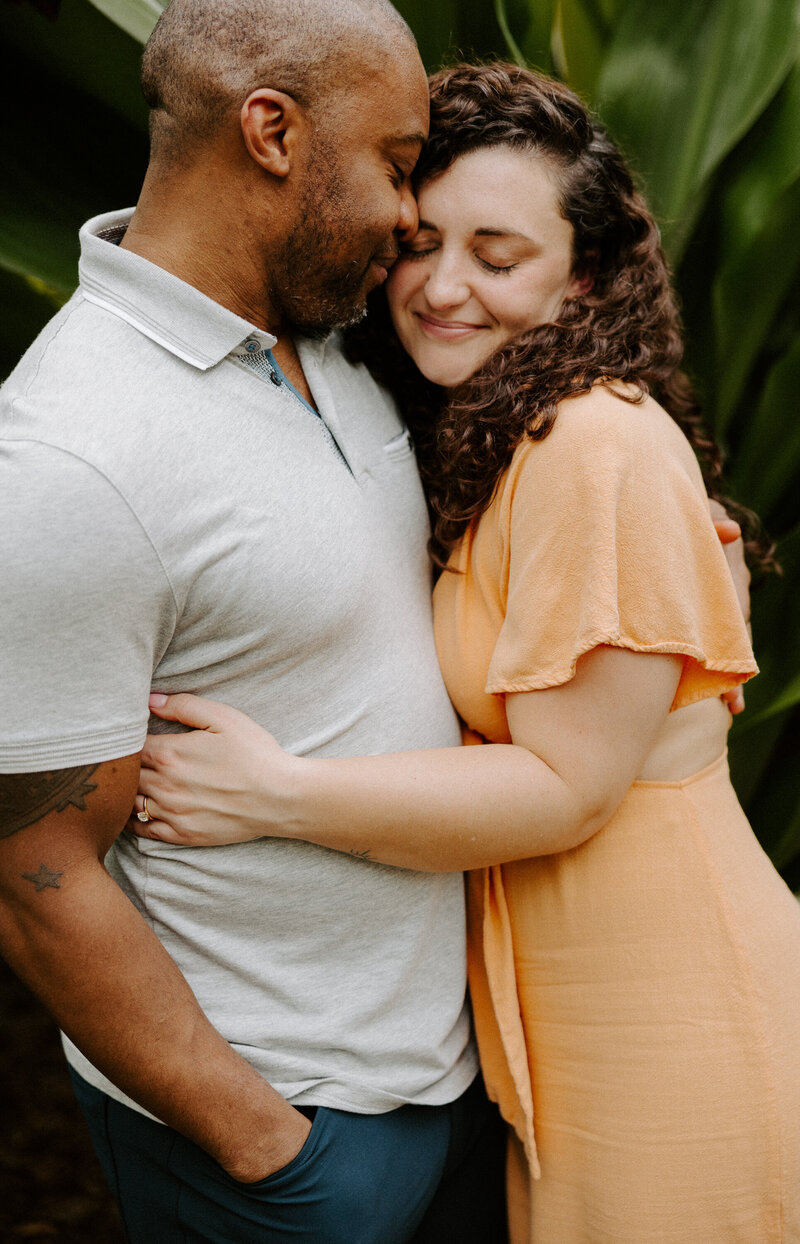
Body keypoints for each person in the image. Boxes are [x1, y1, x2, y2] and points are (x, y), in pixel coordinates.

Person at [131, 63, 800, 1242]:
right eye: (420, 242)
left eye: (497, 257)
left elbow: (566, 782)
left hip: (671, 1009)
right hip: (576, 1018)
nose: (441, 287)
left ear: (582, 278)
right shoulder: (507, 434)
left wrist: (280, 794)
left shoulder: (592, 441)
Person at [0, 6, 513, 1241]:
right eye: (395, 163)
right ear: (272, 131)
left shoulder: (331, 339)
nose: (409, 214)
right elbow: (34, 868)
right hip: (279, 1139)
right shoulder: (70, 454)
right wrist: (267, 1146)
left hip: (451, 1087)